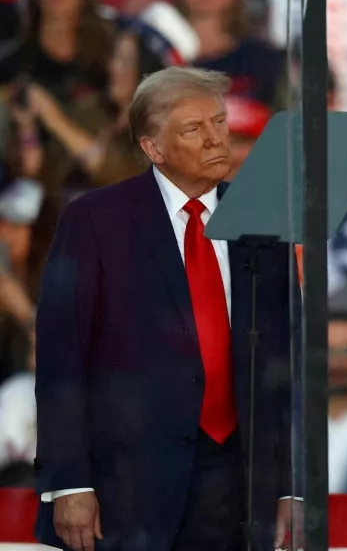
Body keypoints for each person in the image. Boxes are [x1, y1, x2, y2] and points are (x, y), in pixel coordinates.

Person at [33, 67, 298, 551]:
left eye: (219, 122)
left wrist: (291, 484)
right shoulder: (95, 220)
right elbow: (59, 358)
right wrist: (70, 482)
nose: (217, 139)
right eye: (194, 129)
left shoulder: (263, 219)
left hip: (237, 482)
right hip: (125, 485)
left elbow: (286, 358)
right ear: (153, 148)